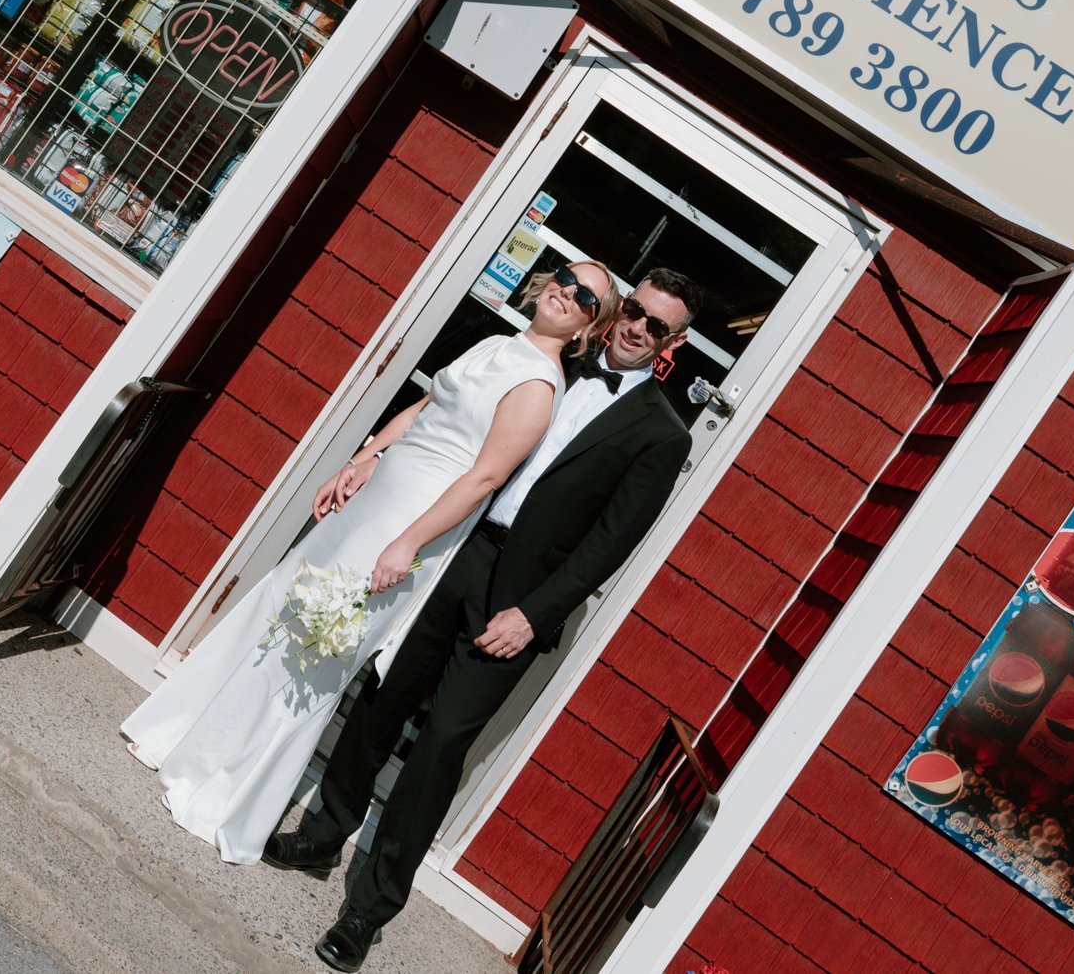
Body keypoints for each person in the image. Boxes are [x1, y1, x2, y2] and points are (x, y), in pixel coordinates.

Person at [267, 268, 705, 973]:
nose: (635, 327)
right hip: (456, 552)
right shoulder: (553, 364)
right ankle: (323, 832)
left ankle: (368, 908)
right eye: (633, 310)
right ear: (621, 307)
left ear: (673, 342)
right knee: (384, 693)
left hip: (518, 603)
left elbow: (609, 544)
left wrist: (535, 616)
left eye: (656, 325)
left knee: (440, 742)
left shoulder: (662, 434)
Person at [119, 261, 622, 866]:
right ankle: (189, 739)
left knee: (321, 651)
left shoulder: (540, 386)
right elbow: (424, 408)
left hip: (411, 521)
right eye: (565, 277)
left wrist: (408, 542)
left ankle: (228, 792)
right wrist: (363, 458)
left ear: (590, 326)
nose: (567, 291)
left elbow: (485, 476)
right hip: (377, 494)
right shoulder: (497, 342)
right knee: (286, 608)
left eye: (586, 296)